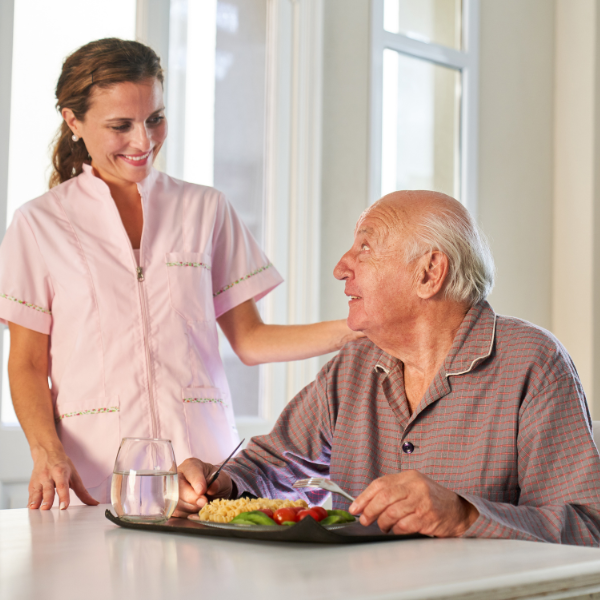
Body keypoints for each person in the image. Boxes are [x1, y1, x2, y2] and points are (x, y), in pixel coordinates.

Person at [0, 38, 359, 510]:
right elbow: (28, 364)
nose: (144, 141)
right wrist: (47, 452)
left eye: (155, 119)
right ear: (73, 120)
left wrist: (357, 330)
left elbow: (250, 340)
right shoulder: (38, 224)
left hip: (206, 474)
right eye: (120, 125)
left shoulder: (204, 209)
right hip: (97, 478)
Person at [175, 190, 600, 546]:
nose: (342, 267)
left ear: (430, 272)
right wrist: (220, 484)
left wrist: (464, 516)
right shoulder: (355, 365)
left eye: (365, 247)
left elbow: (588, 527)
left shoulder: (532, 363)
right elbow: (270, 466)